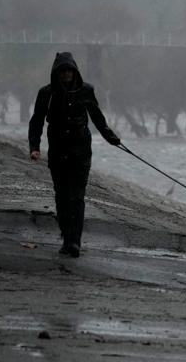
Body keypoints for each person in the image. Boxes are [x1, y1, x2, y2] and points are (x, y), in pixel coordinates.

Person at [28, 52, 121, 257]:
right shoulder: (46, 93)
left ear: (75, 71)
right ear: (56, 73)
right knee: (62, 197)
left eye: (69, 70)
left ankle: (74, 242)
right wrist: (34, 147)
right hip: (58, 152)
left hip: (81, 152)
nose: (66, 74)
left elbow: (97, 117)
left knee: (77, 197)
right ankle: (66, 237)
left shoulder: (86, 90)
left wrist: (111, 137)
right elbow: (36, 121)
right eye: (62, 71)